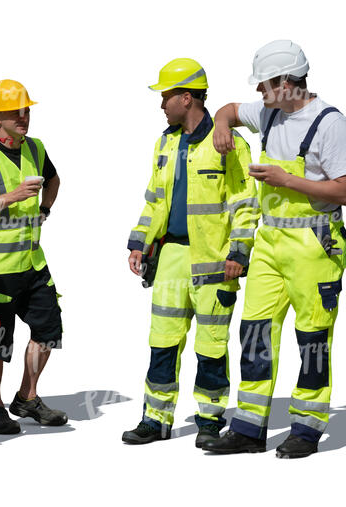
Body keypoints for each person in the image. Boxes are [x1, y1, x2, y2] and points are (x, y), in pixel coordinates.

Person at [203, 40, 346, 458]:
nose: (259, 93)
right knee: (254, 332)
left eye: (265, 85)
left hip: (315, 246)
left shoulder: (330, 124)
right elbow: (229, 110)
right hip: (270, 242)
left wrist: (286, 179)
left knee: (311, 339)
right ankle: (250, 430)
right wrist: (221, 126)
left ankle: (306, 431)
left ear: (286, 83)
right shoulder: (269, 113)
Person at [122, 58, 260, 448]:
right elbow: (154, 201)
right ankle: (155, 418)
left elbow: (246, 202)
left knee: (211, 345)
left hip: (216, 261)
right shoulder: (165, 142)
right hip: (170, 258)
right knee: (162, 339)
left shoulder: (228, 143)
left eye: (166, 96)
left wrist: (240, 252)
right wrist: (139, 243)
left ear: (187, 97)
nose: (161, 103)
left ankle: (209, 419)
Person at [0, 79, 67, 434]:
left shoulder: (36, 148)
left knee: (48, 330)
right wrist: (12, 197)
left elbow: (54, 180)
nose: (23, 117)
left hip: (33, 263)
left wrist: (44, 210)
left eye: (26, 110)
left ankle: (27, 397)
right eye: (14, 112)